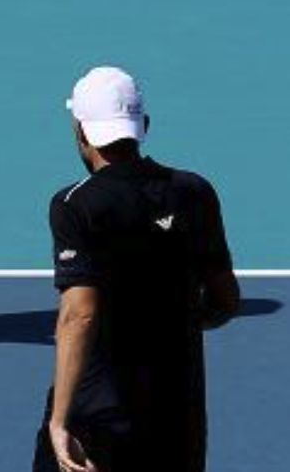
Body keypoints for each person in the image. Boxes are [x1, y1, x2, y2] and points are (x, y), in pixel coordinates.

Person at [34, 67, 241, 472]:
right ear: (143, 125)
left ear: (81, 131)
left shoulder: (76, 205)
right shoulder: (195, 192)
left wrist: (60, 421)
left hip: (99, 415)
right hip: (178, 415)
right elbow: (226, 301)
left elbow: (81, 314)